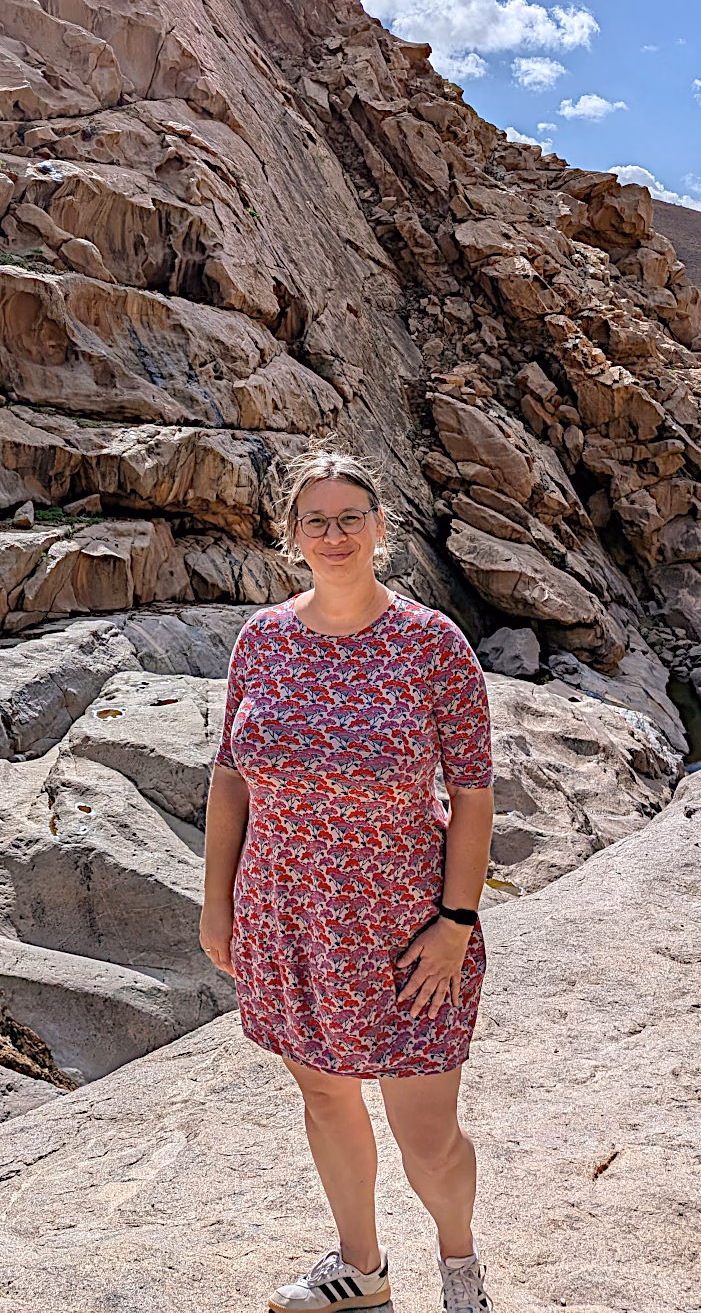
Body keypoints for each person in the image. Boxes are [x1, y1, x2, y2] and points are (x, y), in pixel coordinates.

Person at [200, 447, 496, 1313]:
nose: (334, 535)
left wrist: (456, 923)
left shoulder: (431, 646)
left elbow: (473, 796)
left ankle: (460, 1270)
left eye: (350, 519)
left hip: (406, 929)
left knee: (428, 1136)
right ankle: (361, 1270)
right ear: (292, 536)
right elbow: (230, 777)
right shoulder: (263, 640)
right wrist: (217, 905)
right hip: (287, 916)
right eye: (315, 521)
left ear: (379, 530)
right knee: (327, 1098)